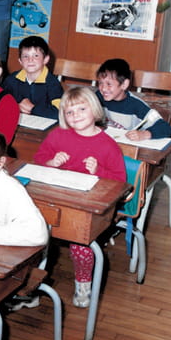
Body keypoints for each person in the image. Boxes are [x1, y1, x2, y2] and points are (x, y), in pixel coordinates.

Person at [33, 86, 125, 308]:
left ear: (94, 110)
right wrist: (51, 162)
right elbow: (38, 160)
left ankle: (83, 285)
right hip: (58, 199)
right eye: (69, 112)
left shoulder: (107, 144)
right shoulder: (58, 135)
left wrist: (99, 171)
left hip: (87, 207)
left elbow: (120, 181)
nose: (75, 116)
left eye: (82, 109)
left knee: (80, 244)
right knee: (32, 235)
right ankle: (29, 286)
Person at [95, 58, 171, 140]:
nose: (103, 88)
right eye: (100, 83)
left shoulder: (137, 106)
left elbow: (166, 128)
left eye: (109, 84)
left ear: (124, 84)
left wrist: (144, 134)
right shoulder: (98, 97)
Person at [2, 35, 63, 119]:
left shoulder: (53, 84)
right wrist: (15, 107)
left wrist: (33, 109)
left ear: (45, 59)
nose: (30, 60)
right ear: (20, 61)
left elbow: (60, 113)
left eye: (36, 56)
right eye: (25, 56)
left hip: (43, 125)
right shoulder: (11, 80)